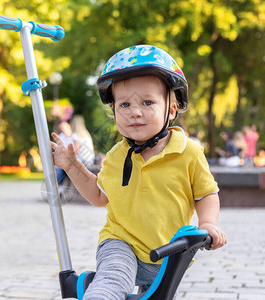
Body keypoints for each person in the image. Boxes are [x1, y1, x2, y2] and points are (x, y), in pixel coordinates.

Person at [50, 45, 227, 299]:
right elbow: (99, 196)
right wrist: (72, 165)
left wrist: (208, 223)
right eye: (124, 104)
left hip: (168, 253)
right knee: (112, 282)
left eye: (147, 102)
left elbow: (206, 194)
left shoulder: (189, 153)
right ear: (114, 112)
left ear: (172, 109)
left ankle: (88, 284)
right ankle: (98, 291)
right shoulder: (116, 156)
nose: (134, 111)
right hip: (121, 243)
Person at [54, 121, 79, 186]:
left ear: (69, 127)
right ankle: (58, 186)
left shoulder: (74, 136)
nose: (64, 129)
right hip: (64, 158)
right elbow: (58, 149)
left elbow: (77, 150)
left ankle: (59, 186)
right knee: (58, 167)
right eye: (62, 128)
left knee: (61, 167)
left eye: (64, 127)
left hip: (73, 158)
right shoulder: (61, 136)